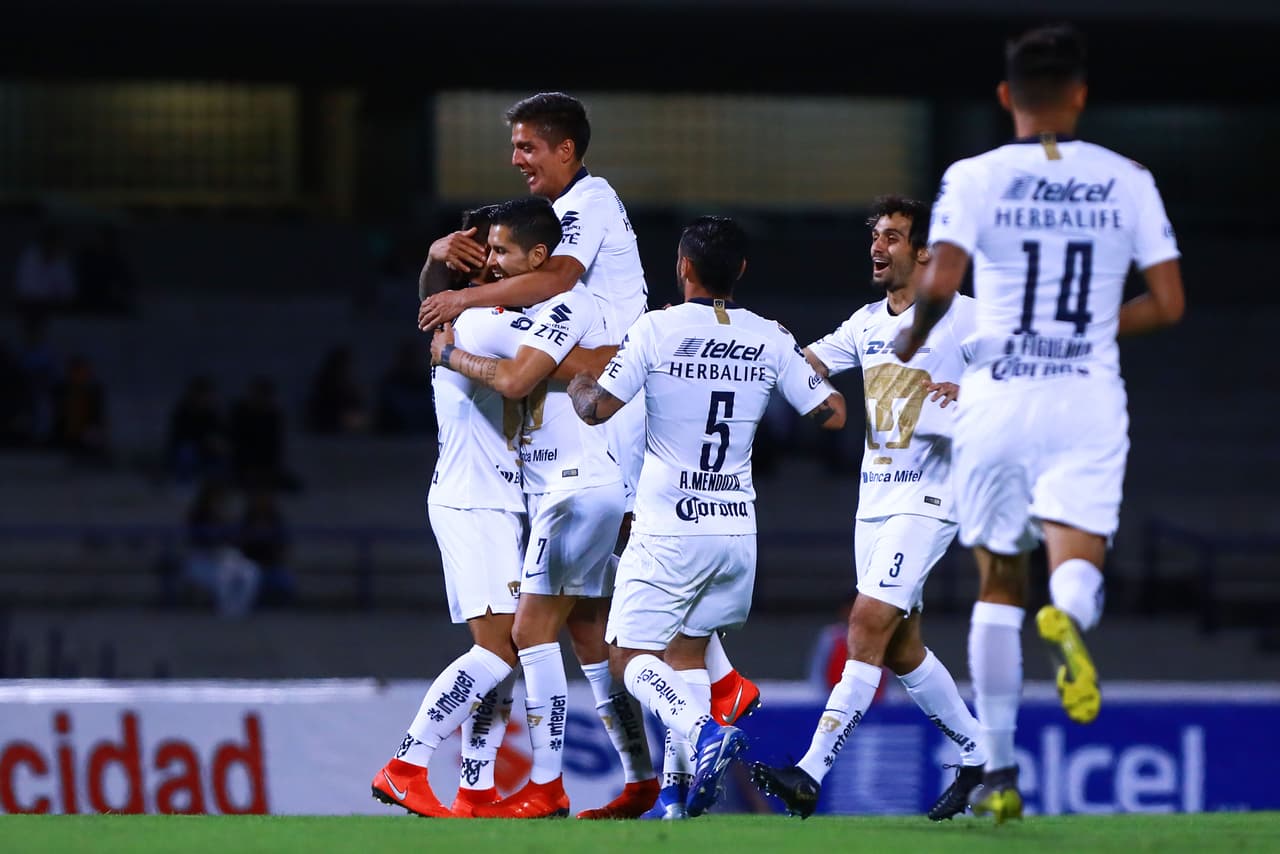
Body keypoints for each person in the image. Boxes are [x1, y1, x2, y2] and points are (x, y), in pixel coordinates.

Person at [892, 23, 1185, 824]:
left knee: (997, 583)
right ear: (1081, 95)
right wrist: (1090, 332)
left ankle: (1000, 774)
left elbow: (942, 285)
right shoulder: (1127, 177)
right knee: (1074, 567)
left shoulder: (974, 176)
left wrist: (910, 342)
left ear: (1004, 97)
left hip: (1000, 399)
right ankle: (1074, 614)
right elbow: (1169, 303)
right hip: (1085, 396)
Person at [417, 90, 760, 734]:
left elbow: (554, 282)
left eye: (527, 146)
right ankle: (654, 752)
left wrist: (467, 301)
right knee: (592, 603)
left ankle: (717, 682)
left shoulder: (589, 202)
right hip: (592, 399)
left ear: (566, 148)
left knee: (617, 560)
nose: (515, 158)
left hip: (613, 394)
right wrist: (446, 270)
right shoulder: (556, 215)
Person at [567, 216, 847, 819]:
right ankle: (674, 796)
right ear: (739, 271)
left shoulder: (657, 329)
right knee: (685, 656)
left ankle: (706, 730)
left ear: (683, 268)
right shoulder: (769, 336)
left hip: (670, 526)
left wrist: (579, 383)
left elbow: (597, 410)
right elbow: (832, 413)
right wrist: (787, 363)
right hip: (736, 531)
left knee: (629, 658)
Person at [749, 195, 988, 821]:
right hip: (875, 502)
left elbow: (1023, 385)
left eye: (891, 237)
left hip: (931, 498)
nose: (877, 249)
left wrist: (972, 391)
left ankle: (809, 771)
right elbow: (806, 366)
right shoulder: (865, 323)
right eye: (874, 238)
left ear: (924, 253)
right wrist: (755, 348)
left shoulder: (967, 320)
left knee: (865, 625)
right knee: (902, 644)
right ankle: (977, 750)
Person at [430, 196, 658, 819]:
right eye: (487, 257)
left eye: (502, 253)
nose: (494, 268)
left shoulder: (554, 307)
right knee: (588, 635)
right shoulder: (516, 313)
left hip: (573, 486)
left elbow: (523, 375)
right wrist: (440, 268)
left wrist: (451, 344)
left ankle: (542, 784)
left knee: (526, 635)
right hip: (555, 491)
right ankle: (639, 777)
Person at [370, 205, 527, 819]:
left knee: (508, 653)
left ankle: (477, 787)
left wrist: (437, 260)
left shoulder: (478, 314)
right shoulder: (484, 319)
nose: (500, 262)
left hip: (495, 498)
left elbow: (433, 300)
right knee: (495, 653)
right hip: (473, 499)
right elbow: (553, 365)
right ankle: (407, 762)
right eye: (494, 251)